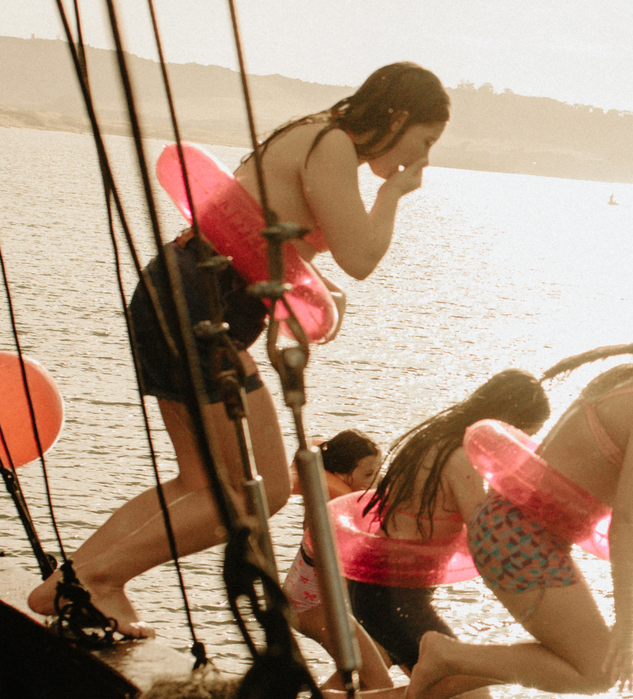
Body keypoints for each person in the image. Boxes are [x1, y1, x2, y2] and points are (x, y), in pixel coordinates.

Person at [29, 62, 451, 637]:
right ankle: (97, 581)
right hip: (202, 306)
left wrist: (316, 288)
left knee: (204, 484)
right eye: (425, 141)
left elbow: (259, 233)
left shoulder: (313, 134)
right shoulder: (331, 145)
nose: (422, 158)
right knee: (252, 493)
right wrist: (393, 193)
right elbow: (361, 257)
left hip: (182, 291)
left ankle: (69, 583)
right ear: (398, 116)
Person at [398, 318, 633, 699]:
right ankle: (448, 656)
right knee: (599, 670)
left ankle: (449, 679)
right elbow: (626, 525)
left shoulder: (625, 378)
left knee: (582, 661)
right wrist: (625, 628)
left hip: (500, 523)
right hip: (525, 542)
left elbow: (624, 454)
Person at [337, 370, 551, 699]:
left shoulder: (434, 441)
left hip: (381, 589)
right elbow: (487, 538)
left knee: (440, 695)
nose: (518, 448)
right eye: (521, 436)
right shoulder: (459, 457)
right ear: (505, 422)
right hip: (394, 596)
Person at [280, 429, 392, 689]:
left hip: (316, 604)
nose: (377, 480)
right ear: (341, 476)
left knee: (383, 657)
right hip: (310, 609)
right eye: (368, 475)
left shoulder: (341, 502)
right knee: (379, 683)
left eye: (378, 471)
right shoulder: (327, 514)